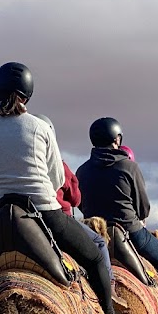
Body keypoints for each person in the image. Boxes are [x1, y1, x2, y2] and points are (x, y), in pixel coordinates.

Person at [0, 63, 128, 314]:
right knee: (96, 254)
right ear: (27, 95)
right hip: (44, 214)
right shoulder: (40, 127)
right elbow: (57, 178)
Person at [75, 117, 158, 314]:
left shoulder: (82, 170)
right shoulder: (128, 166)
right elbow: (143, 209)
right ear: (117, 139)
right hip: (129, 232)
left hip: (94, 233)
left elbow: (80, 204)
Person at [35, 114, 114, 289]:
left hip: (25, 221)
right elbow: (76, 199)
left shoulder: (21, 163)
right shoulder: (60, 166)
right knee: (99, 244)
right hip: (58, 220)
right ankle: (110, 299)